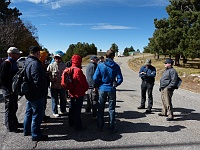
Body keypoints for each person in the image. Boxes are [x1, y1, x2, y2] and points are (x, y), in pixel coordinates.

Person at [93, 50, 123, 134]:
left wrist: (98, 84)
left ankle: (100, 126)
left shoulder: (100, 65)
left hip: (102, 88)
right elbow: (120, 79)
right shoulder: (116, 66)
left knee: (101, 108)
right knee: (112, 109)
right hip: (111, 89)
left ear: (106, 56)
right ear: (113, 56)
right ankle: (111, 127)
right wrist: (115, 84)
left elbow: (95, 77)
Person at [23, 46, 48, 141]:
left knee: (28, 112)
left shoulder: (27, 61)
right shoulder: (35, 63)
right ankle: (36, 134)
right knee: (37, 115)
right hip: (36, 93)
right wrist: (43, 91)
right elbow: (37, 79)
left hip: (29, 92)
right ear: (37, 53)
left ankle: (27, 130)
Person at [0, 47, 22, 133]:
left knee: (14, 107)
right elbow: (2, 79)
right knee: (9, 108)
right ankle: (10, 126)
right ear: (11, 54)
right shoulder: (6, 63)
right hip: (8, 90)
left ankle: (15, 123)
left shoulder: (14, 63)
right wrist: (9, 90)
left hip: (13, 89)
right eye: (17, 54)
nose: (19, 55)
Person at [68, 54, 89, 131]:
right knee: (77, 109)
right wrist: (85, 88)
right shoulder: (78, 70)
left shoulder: (69, 69)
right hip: (78, 92)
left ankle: (71, 122)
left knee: (72, 108)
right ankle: (78, 126)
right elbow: (83, 82)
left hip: (72, 91)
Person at [47, 52, 67, 117]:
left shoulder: (64, 66)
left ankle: (63, 110)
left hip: (62, 85)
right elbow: (48, 74)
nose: (57, 59)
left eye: (59, 58)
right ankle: (55, 112)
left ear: (61, 58)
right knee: (54, 99)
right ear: (54, 58)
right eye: (56, 58)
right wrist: (51, 80)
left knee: (63, 98)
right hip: (53, 86)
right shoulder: (51, 65)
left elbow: (67, 75)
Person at [39, 50, 51, 121]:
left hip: (45, 85)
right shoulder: (39, 63)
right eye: (45, 56)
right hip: (41, 87)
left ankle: (43, 115)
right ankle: (41, 117)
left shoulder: (43, 63)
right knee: (41, 103)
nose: (46, 57)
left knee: (44, 102)